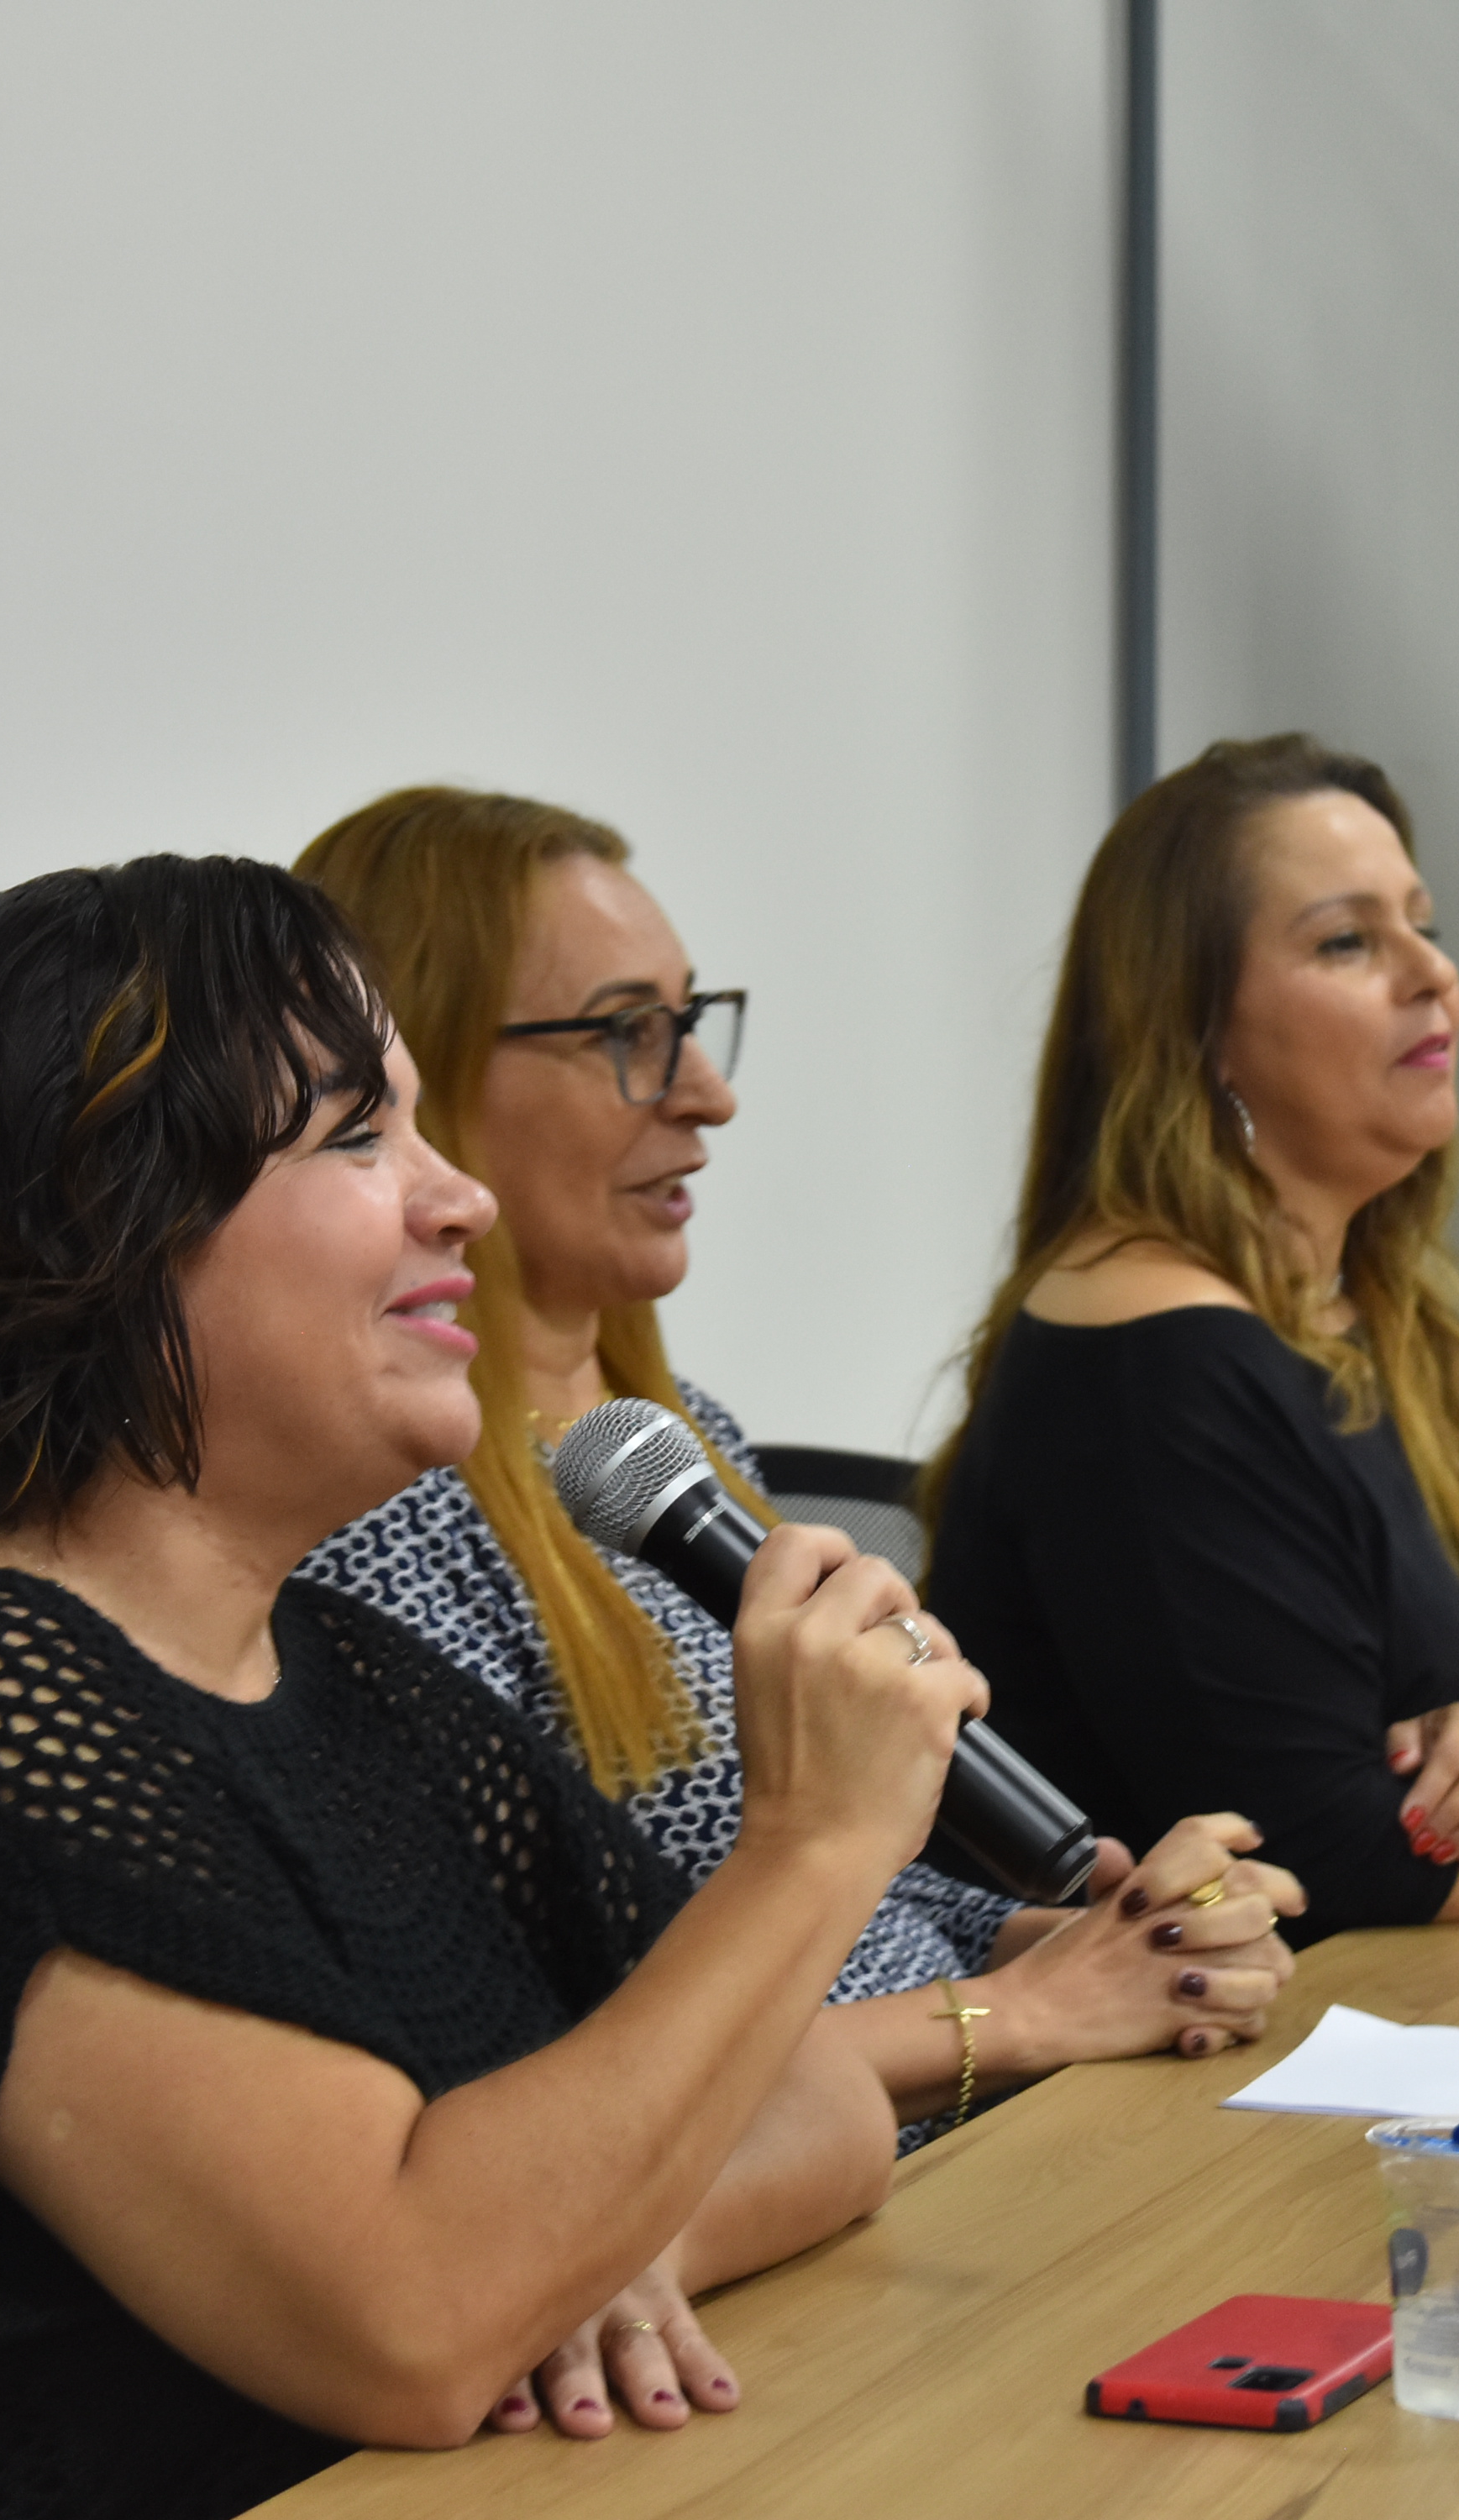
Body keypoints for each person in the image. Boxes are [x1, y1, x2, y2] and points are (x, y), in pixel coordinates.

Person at [0, 857, 1102, 2517]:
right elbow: (414, 2319)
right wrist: (810, 1847)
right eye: (360, 1135)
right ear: (97, 1228)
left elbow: (813, 2106)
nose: (464, 1203)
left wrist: (587, 2245)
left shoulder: (350, 1681)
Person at [287, 790, 1300, 2172]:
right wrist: (1023, 2013)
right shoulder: (381, 1509)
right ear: (420, 1083)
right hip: (773, 2212)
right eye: (628, 1035)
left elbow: (859, 1910)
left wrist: (1093, 1939)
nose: (707, 1092)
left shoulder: (669, 1442)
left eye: (692, 1023)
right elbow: (542, 2057)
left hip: (930, 2154)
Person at [921, 735, 1459, 1947]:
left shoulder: (1392, 1320)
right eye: (1348, 942)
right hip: (1186, 2043)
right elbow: (1312, 1852)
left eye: (1425, 925)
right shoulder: (1154, 1360)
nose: (1434, 974)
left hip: (1397, 2003)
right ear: (1198, 1029)